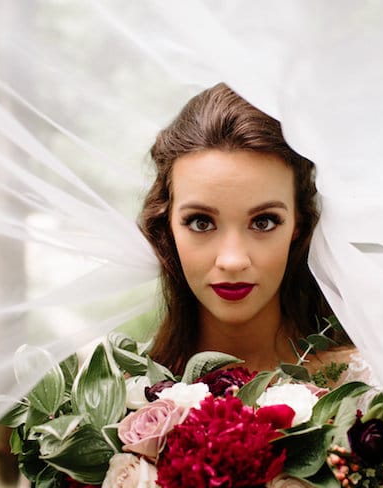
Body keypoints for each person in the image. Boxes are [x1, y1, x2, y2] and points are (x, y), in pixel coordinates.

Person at [139, 83, 353, 376]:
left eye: (263, 222)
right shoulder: (126, 395)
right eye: (201, 223)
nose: (233, 260)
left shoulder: (365, 387)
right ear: (167, 227)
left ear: (297, 227)